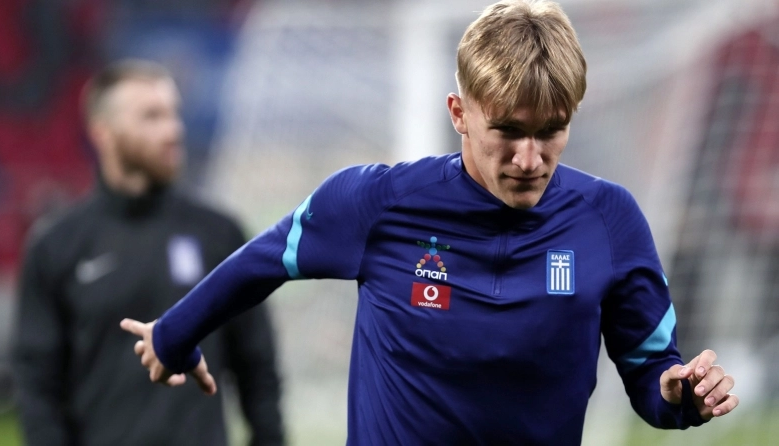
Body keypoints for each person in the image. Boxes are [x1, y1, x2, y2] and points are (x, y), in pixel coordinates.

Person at [122, 1, 739, 444]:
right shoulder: (377, 202)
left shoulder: (608, 220)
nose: (530, 159)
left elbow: (653, 375)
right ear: (459, 113)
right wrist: (173, 337)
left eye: (551, 131)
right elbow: (262, 261)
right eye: (508, 131)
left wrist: (682, 394)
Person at [13, 59, 284, 446]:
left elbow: (258, 368)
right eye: (151, 116)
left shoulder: (219, 233)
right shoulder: (56, 246)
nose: (173, 130)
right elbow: (37, 386)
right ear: (103, 132)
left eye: (173, 114)